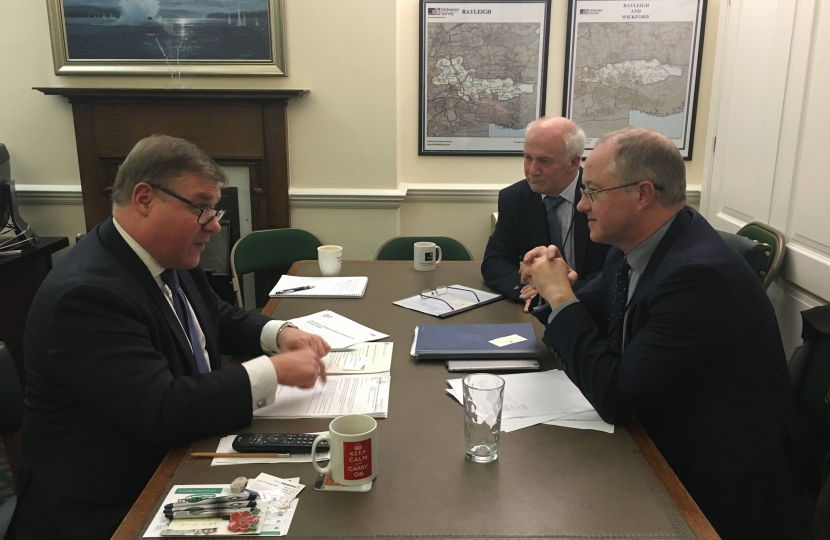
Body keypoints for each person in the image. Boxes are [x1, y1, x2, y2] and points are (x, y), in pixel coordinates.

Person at [11, 135, 331, 540]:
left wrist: (279, 332)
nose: (214, 224)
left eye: (214, 210)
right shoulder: (87, 296)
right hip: (110, 504)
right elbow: (161, 409)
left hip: (175, 456)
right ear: (144, 198)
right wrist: (272, 371)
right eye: (201, 208)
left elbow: (215, 316)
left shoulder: (165, 253)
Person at [521, 127, 801, 539]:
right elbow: (588, 309)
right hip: (656, 443)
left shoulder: (698, 278)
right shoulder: (636, 246)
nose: (581, 205)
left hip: (710, 488)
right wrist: (558, 287)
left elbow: (616, 396)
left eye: (593, 192)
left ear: (643, 194)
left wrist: (562, 296)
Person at [481, 116, 609, 311]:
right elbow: (495, 260)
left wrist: (560, 292)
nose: (532, 170)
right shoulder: (514, 198)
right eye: (527, 158)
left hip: (594, 307)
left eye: (544, 161)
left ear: (573, 163)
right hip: (533, 310)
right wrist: (532, 288)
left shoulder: (604, 196)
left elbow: (615, 269)